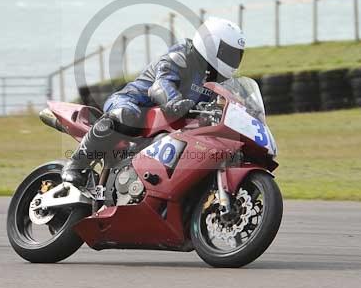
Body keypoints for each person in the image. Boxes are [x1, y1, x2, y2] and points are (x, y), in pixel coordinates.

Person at [62, 17, 246, 185]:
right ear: (210, 44)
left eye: (237, 55)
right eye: (229, 54)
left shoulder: (220, 79)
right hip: (133, 102)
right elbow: (161, 85)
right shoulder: (182, 55)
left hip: (172, 123)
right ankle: (76, 164)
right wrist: (174, 102)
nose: (233, 60)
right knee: (127, 115)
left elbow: (233, 102)